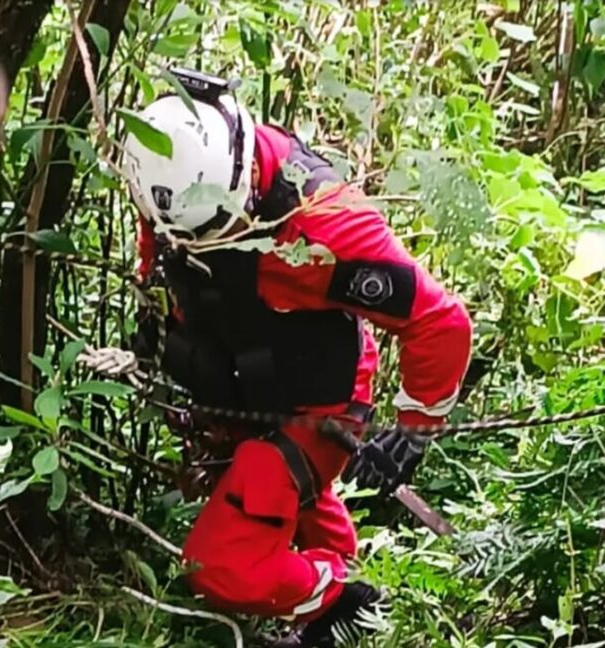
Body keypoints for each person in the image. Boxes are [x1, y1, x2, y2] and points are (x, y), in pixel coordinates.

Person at [122, 69, 472, 647]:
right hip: (234, 377)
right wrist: (157, 324)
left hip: (316, 396)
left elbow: (438, 320)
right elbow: (157, 256)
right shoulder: (164, 171)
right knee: (271, 495)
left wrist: (412, 432)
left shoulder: (326, 224)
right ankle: (332, 567)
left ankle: (338, 596)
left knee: (218, 563)